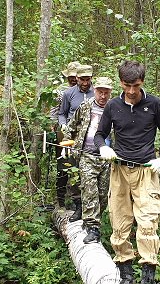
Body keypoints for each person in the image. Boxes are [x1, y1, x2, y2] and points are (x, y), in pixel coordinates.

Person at [94, 60, 160, 284]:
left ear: (142, 82)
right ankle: (125, 273)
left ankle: (148, 276)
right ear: (121, 82)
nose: (130, 91)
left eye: (135, 86)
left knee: (148, 223)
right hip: (119, 170)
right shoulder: (112, 106)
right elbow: (100, 133)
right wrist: (104, 147)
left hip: (146, 172)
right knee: (119, 221)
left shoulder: (154, 104)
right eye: (127, 85)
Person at [62, 77, 113, 243]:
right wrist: (66, 144)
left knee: (102, 195)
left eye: (106, 93)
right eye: (100, 92)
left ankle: (93, 222)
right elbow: (71, 126)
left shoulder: (115, 108)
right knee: (89, 191)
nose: (103, 96)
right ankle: (93, 228)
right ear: (95, 90)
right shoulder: (85, 106)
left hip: (107, 158)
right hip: (87, 155)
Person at [58, 64, 94, 221]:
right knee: (72, 169)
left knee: (89, 170)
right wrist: (64, 125)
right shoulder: (69, 93)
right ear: (76, 79)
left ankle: (91, 207)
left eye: (88, 80)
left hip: (91, 138)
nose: (85, 83)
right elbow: (62, 113)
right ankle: (76, 204)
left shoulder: (97, 92)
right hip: (72, 136)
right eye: (82, 80)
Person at [50, 61, 81, 208]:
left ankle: (77, 200)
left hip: (80, 132)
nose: (73, 79)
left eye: (75, 76)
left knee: (78, 164)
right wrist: (54, 126)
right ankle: (60, 200)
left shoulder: (86, 91)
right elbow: (55, 111)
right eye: (71, 77)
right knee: (63, 164)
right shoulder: (61, 91)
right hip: (63, 131)